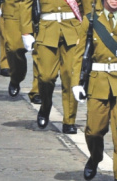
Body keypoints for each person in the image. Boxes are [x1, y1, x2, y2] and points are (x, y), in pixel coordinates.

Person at [74, 0, 117, 181]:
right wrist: (76, 84)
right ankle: (95, 156)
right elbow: (79, 54)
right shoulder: (91, 20)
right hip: (99, 81)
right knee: (93, 130)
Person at [31, 0, 87, 134]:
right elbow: (26, 4)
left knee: (70, 75)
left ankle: (69, 120)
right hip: (47, 28)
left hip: (73, 29)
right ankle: (45, 106)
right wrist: (26, 31)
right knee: (45, 77)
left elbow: (89, 6)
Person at [0, 0, 40, 100]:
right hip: (14, 8)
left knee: (42, 52)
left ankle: (38, 91)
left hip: (46, 9)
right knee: (13, 49)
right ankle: (16, 78)